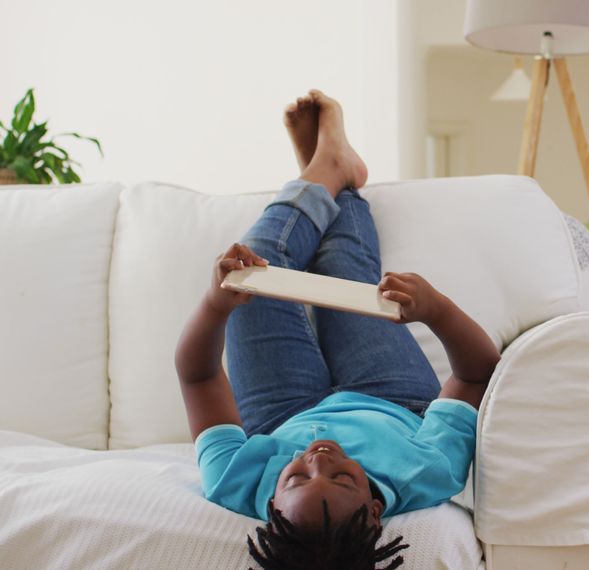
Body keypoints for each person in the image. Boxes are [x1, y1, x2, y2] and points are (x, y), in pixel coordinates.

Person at [174, 90, 500, 569]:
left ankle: (325, 168)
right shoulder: (426, 472)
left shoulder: (236, 482)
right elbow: (477, 375)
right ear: (374, 510)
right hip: (390, 399)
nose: (318, 458)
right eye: (343, 478)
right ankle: (332, 169)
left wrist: (214, 304)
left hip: (278, 415)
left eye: (296, 479)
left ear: (269, 506)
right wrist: (436, 309)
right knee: (340, 266)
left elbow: (197, 376)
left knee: (250, 265)